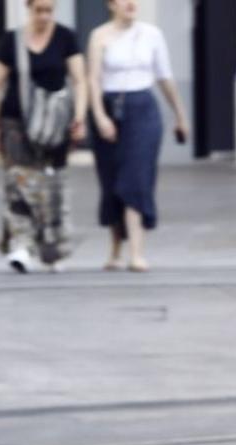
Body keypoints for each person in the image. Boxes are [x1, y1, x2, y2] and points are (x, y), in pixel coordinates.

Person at [0, 0, 87, 273]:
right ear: (28, 8)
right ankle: (21, 245)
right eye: (39, 9)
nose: (44, 16)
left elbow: (79, 79)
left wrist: (79, 116)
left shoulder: (65, 37)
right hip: (15, 122)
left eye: (49, 10)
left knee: (53, 187)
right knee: (17, 183)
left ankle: (53, 248)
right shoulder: (13, 40)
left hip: (55, 126)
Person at [87, 0, 188, 272]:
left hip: (143, 109)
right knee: (111, 180)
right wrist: (99, 116)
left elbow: (164, 77)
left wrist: (180, 114)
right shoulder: (99, 35)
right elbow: (93, 79)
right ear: (111, 4)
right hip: (109, 108)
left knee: (137, 177)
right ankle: (115, 249)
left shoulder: (152, 34)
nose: (131, 3)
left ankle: (136, 251)